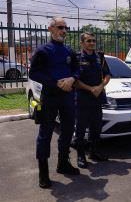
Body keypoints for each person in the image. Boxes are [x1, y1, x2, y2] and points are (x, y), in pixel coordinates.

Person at [29, 17, 80, 189]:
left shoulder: (69, 51)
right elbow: (34, 73)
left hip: (67, 97)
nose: (64, 31)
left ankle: (63, 163)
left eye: (66, 28)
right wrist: (56, 82)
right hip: (50, 97)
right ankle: (43, 174)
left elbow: (77, 69)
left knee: (67, 130)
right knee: (45, 133)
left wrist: (72, 78)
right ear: (51, 29)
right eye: (60, 27)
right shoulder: (42, 50)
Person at [73, 32, 111, 168]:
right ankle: (81, 156)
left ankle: (94, 152)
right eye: (88, 41)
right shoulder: (76, 58)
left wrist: (100, 87)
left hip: (97, 98)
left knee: (96, 127)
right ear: (82, 43)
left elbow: (107, 75)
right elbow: (74, 80)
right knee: (81, 129)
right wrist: (91, 89)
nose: (92, 43)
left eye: (93, 41)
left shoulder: (100, 57)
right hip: (82, 98)